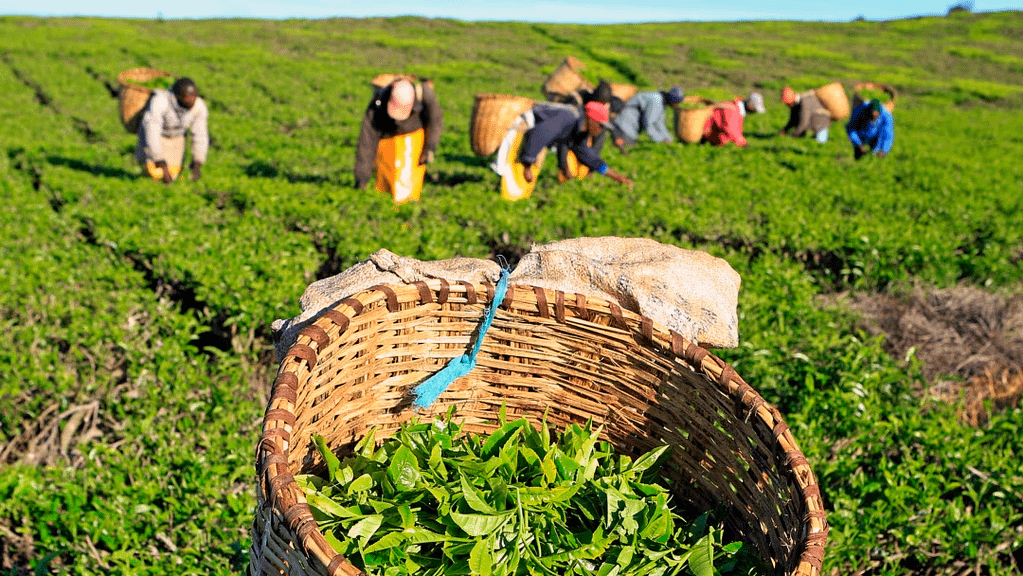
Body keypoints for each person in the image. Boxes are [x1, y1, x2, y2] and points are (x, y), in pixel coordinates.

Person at [354, 77, 443, 203]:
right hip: (386, 140)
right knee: (384, 186)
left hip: (414, 138)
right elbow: (366, 141)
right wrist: (361, 178)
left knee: (409, 187)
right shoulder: (379, 102)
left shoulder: (425, 94)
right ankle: (386, 202)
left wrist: (429, 148)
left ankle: (408, 205)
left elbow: (435, 122)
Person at [521, 101, 632, 188]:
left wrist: (617, 177)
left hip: (532, 136)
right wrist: (527, 164)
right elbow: (541, 133)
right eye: (600, 126)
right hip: (525, 124)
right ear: (591, 120)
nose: (600, 131)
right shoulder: (568, 118)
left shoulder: (580, 132)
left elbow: (589, 157)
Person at [135, 77, 208, 183]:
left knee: (172, 176)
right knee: (151, 174)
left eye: (194, 97)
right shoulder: (160, 101)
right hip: (156, 135)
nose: (192, 100)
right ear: (178, 96)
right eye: (188, 97)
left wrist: (197, 162)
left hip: (176, 136)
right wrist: (158, 158)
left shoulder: (199, 106)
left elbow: (200, 134)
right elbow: (152, 129)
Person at [609, 86, 685, 151]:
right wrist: (660, 140)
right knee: (625, 147)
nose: (677, 106)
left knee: (630, 146)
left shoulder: (661, 102)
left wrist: (668, 138)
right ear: (672, 100)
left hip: (631, 126)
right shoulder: (656, 101)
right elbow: (648, 124)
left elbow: (660, 123)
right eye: (677, 103)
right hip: (625, 124)